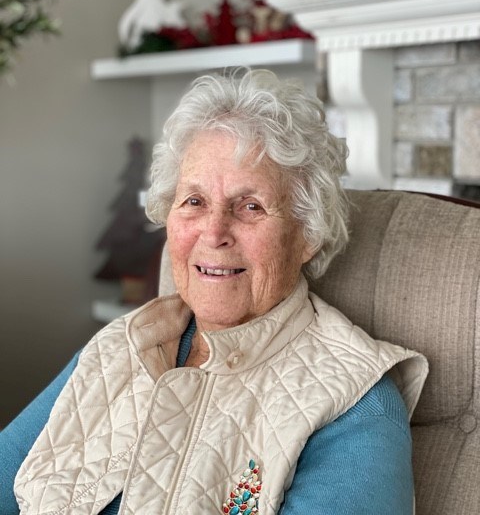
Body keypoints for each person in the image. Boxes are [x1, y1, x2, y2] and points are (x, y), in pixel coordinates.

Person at [0, 68, 428, 515]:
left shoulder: (356, 405)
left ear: (308, 235)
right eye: (194, 201)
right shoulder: (121, 346)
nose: (214, 232)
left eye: (250, 206)